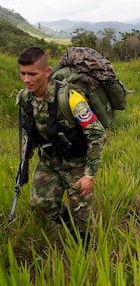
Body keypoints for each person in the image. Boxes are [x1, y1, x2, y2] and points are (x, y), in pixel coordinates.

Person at [16, 47, 106, 244]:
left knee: (82, 218)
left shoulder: (70, 98)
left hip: (76, 165)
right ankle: (68, 222)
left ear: (47, 72)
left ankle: (86, 251)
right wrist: (27, 147)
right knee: (40, 203)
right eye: (22, 73)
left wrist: (89, 175)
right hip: (49, 161)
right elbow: (28, 126)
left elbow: (98, 134)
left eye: (32, 74)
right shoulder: (25, 97)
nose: (26, 79)